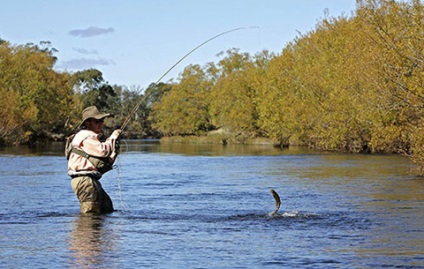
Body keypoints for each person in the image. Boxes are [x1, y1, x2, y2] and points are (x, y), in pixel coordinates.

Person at [67, 106, 121, 214]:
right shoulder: (86, 136)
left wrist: (114, 152)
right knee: (90, 215)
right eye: (97, 121)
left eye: (102, 121)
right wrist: (113, 137)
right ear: (88, 123)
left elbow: (103, 161)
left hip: (89, 180)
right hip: (84, 181)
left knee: (106, 208)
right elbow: (103, 151)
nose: (101, 124)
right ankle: (87, 231)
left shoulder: (87, 137)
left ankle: (96, 231)